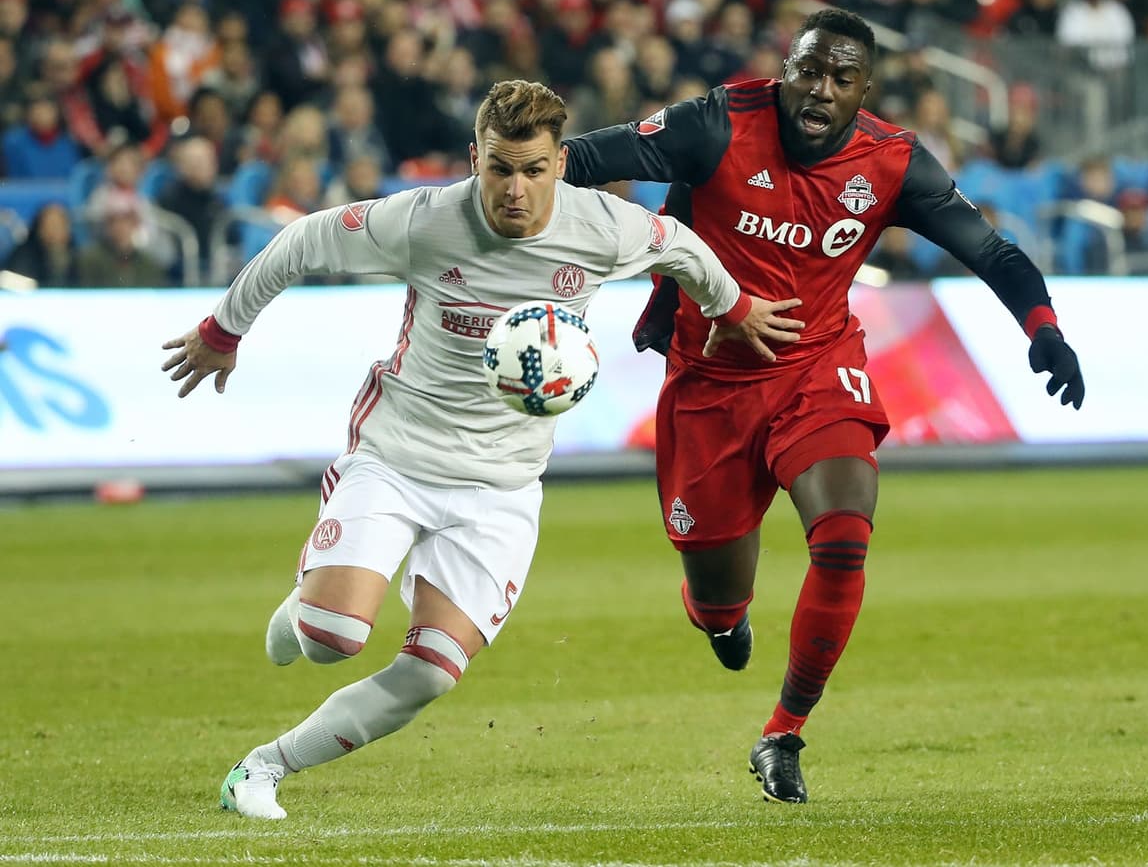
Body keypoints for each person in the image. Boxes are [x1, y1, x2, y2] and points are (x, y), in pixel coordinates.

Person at [159, 79, 802, 820]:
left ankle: (261, 768)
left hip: (502, 485)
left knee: (430, 671)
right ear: (475, 159)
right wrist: (222, 329)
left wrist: (736, 306)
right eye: (500, 168)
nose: (516, 189)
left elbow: (684, 248)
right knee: (332, 636)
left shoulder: (606, 227)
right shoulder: (425, 219)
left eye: (533, 169)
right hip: (398, 453)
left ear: (561, 163)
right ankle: (309, 604)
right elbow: (303, 241)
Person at [562, 8, 1086, 804]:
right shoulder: (718, 123)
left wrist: (1043, 327)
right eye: (809, 70)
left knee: (845, 534)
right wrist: (517, 183)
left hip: (817, 369)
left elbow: (991, 249)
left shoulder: (892, 161)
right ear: (786, 70)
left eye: (842, 78)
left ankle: (782, 732)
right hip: (710, 384)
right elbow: (595, 157)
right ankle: (721, 616)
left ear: (864, 89)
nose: (821, 89)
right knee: (715, 600)